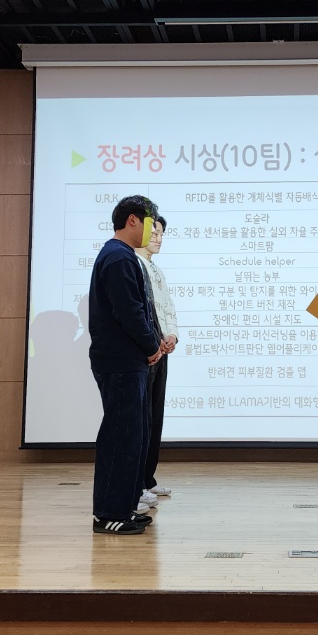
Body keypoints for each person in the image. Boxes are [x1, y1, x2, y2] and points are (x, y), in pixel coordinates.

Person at [87, 195, 162, 535]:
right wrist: (151, 345)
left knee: (135, 436)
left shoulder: (123, 255)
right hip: (120, 362)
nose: (152, 230)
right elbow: (129, 311)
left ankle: (126, 506)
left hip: (129, 362)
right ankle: (109, 514)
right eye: (150, 223)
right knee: (121, 437)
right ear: (133, 220)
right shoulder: (117, 256)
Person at [136, 214, 178, 511]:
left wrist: (171, 334)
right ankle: (136, 483)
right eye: (154, 233)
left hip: (161, 348)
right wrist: (154, 341)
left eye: (161, 233)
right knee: (142, 419)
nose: (158, 238)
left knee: (155, 415)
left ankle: (147, 478)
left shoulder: (157, 269)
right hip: (146, 351)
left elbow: (167, 308)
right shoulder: (132, 265)